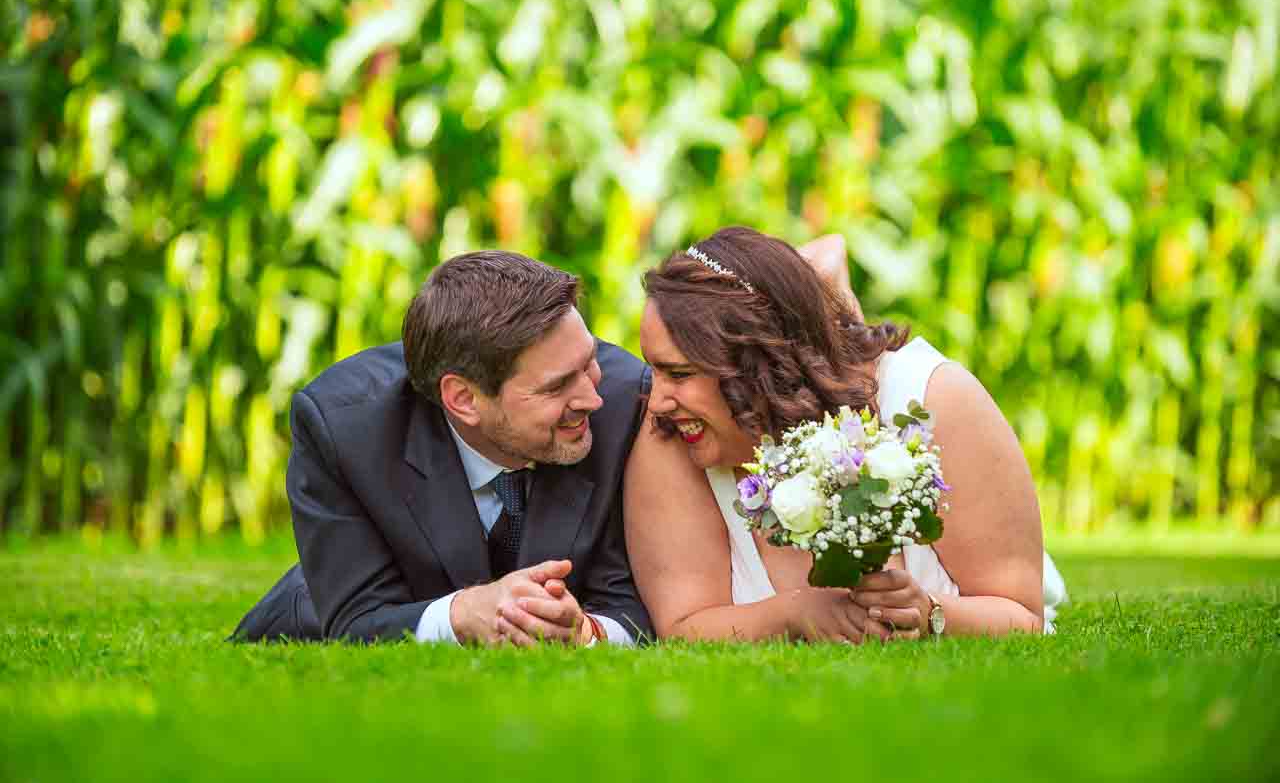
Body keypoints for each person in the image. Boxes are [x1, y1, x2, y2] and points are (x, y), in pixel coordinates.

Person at [623, 226, 1067, 643]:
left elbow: (1022, 614)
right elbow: (683, 625)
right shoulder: (671, 434)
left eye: (679, 373)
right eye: (654, 368)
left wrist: (930, 610)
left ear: (757, 363)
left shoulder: (933, 399)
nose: (656, 400)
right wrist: (793, 614)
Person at [233, 251, 652, 646]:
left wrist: (587, 631)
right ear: (464, 399)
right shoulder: (343, 427)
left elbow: (640, 599)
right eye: (558, 385)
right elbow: (358, 615)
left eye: (589, 361)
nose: (591, 398)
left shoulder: (626, 402)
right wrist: (461, 614)